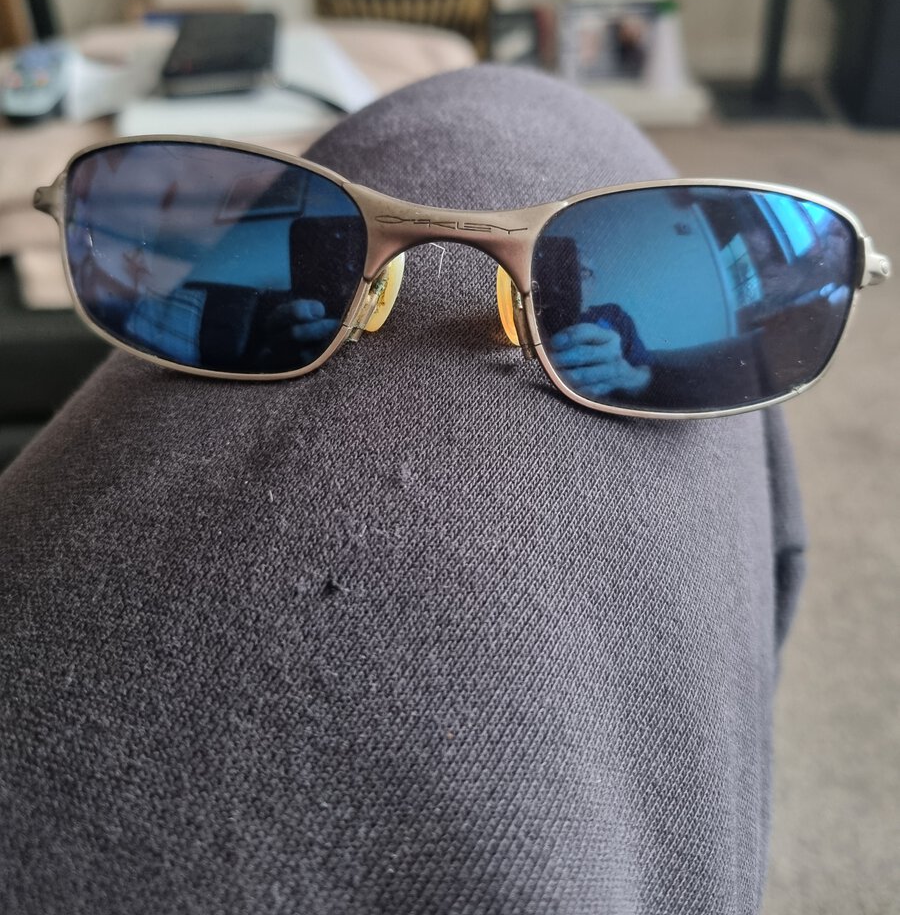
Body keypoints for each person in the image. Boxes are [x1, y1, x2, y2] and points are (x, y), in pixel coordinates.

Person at [0, 66, 805, 914]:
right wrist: (280, 330)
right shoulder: (285, 308)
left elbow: (671, 371)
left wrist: (629, 371)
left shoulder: (610, 327)